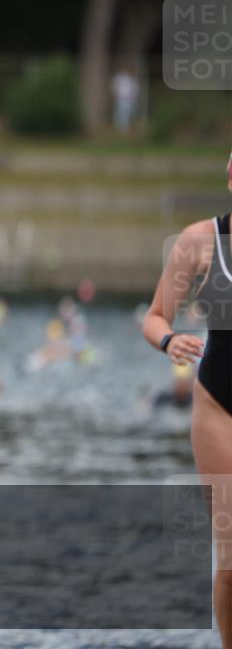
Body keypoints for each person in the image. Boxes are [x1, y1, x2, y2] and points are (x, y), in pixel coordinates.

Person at [141, 152, 232, 648]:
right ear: (231, 178)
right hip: (220, 407)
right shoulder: (201, 241)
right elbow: (154, 315)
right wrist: (169, 340)